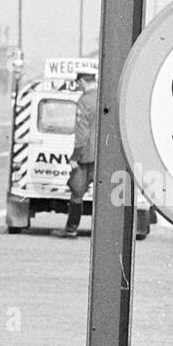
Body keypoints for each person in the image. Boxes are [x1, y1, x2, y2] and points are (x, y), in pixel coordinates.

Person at [56, 70, 98, 238]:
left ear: (82, 81)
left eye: (78, 82)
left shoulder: (84, 101)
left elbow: (82, 133)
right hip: (104, 155)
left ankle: (71, 228)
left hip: (86, 155)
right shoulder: (104, 97)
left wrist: (75, 156)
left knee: (77, 190)